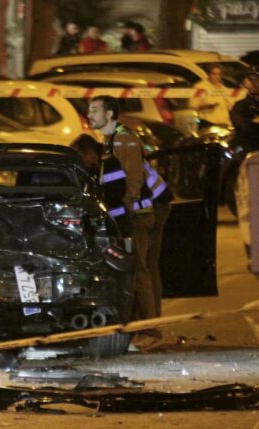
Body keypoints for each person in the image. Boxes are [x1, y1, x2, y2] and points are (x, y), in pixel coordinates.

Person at [87, 96, 171, 346]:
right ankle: (151, 324)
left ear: (109, 114)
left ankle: (150, 330)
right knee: (148, 268)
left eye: (95, 110)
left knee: (139, 270)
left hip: (142, 211)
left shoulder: (123, 139)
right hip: (149, 207)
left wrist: (128, 210)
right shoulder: (111, 140)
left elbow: (134, 179)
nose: (89, 115)